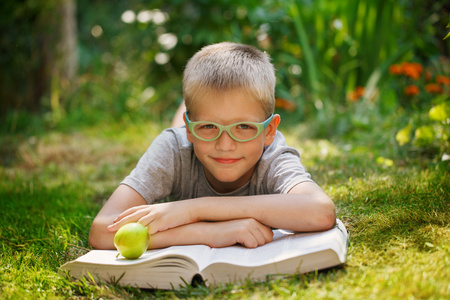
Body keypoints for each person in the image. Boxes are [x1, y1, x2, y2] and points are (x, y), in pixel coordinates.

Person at [89, 42, 335, 250]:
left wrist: (193, 210)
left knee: (209, 124)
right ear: (190, 129)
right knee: (185, 132)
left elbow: (320, 211)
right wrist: (208, 233)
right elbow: (102, 230)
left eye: (244, 127)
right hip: (185, 139)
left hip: (194, 136)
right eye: (208, 127)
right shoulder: (173, 148)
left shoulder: (272, 154)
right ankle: (191, 114)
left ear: (269, 131)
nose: (225, 145)